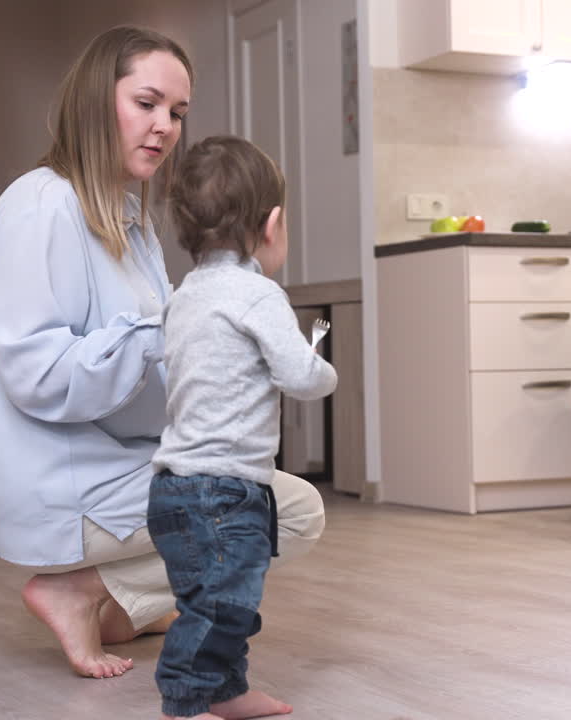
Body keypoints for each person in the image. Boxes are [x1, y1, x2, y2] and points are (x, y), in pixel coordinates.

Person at [0, 26, 325, 682]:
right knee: (278, 509)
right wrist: (164, 332)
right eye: (146, 103)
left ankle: (118, 599)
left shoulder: (129, 219)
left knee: (240, 486)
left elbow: (158, 352)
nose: (165, 127)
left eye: (177, 113)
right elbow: (39, 376)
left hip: (101, 452)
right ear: (97, 99)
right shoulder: (42, 207)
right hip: (49, 469)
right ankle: (84, 589)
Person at [147, 135, 337, 720]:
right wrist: (322, 363)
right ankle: (184, 700)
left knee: (212, 600)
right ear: (272, 223)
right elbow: (301, 376)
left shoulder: (182, 297)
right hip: (226, 489)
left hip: (174, 485)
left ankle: (225, 691)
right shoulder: (259, 294)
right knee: (225, 603)